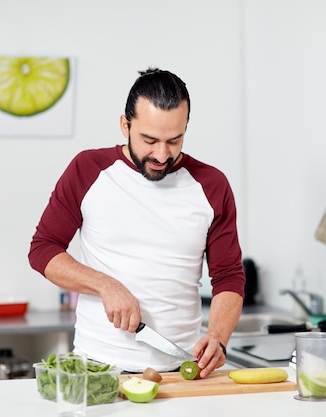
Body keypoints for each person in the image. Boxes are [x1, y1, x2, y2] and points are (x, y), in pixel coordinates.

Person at [28, 67, 245, 378]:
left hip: (180, 370)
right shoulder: (87, 169)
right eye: (149, 139)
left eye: (174, 140)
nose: (161, 154)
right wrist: (106, 285)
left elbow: (228, 276)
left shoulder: (212, 185)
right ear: (124, 125)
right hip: (97, 368)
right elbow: (43, 250)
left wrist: (218, 338)